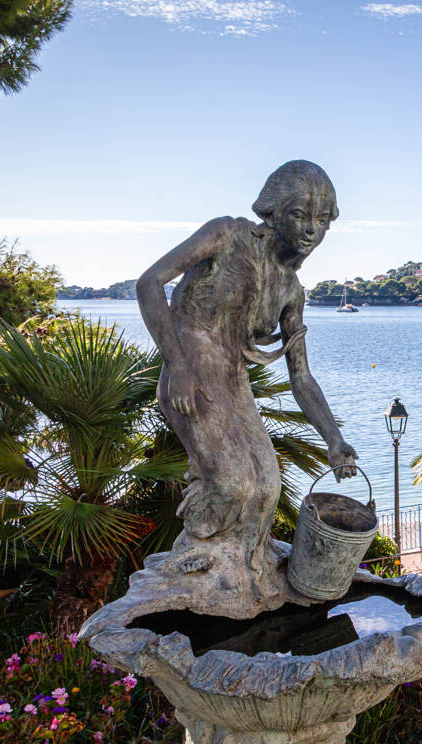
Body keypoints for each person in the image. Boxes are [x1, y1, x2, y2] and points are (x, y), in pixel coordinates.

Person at [136, 160, 358, 586]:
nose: (310, 230)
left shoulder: (291, 290)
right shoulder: (227, 234)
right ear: (272, 213)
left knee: (267, 488)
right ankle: (199, 565)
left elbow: (302, 378)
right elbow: (149, 283)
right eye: (298, 215)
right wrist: (176, 362)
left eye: (320, 220)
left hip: (233, 380)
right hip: (192, 373)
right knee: (236, 483)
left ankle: (246, 573)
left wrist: (334, 438)